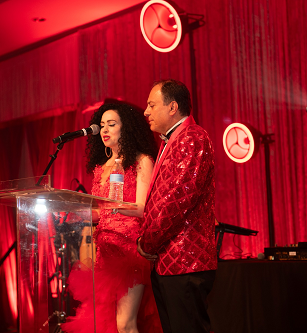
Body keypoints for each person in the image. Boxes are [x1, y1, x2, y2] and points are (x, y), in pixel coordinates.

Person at [62, 102, 161, 333]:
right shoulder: (102, 167)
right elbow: (102, 214)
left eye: (111, 124)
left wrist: (110, 207)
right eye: (102, 125)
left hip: (130, 252)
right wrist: (77, 214)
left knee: (125, 324)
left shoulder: (141, 160)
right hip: (104, 252)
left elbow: (141, 208)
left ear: (126, 128)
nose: (104, 130)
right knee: (106, 323)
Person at [137, 79, 218, 333]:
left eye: (152, 105)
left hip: (185, 260)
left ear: (172, 107)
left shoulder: (192, 137)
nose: (146, 111)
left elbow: (176, 201)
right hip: (170, 260)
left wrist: (147, 242)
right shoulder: (170, 140)